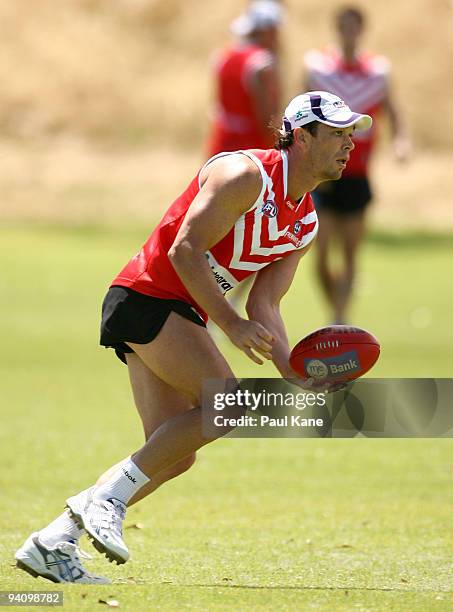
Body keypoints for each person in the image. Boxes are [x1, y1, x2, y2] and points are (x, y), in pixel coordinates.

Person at [15, 91, 372, 584]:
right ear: (301, 136)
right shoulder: (244, 176)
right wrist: (231, 326)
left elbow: (264, 305)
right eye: (336, 133)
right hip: (145, 297)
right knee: (229, 403)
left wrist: (294, 367)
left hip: (181, 313)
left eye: (350, 133)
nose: (349, 144)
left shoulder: (305, 220)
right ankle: (102, 502)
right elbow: (185, 251)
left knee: (173, 455)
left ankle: (52, 541)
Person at [304, 6, 410, 324]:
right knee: (320, 254)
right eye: (343, 26)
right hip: (321, 174)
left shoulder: (378, 71)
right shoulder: (318, 67)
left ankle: (339, 318)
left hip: (357, 172)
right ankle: (337, 312)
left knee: (349, 252)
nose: (348, 32)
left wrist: (401, 141)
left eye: (354, 26)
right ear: (337, 28)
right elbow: (301, 107)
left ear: (361, 29)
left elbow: (392, 109)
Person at [206, 0, 283, 157]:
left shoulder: (223, 56)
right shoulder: (262, 64)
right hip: (251, 150)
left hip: (222, 143)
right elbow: (266, 120)